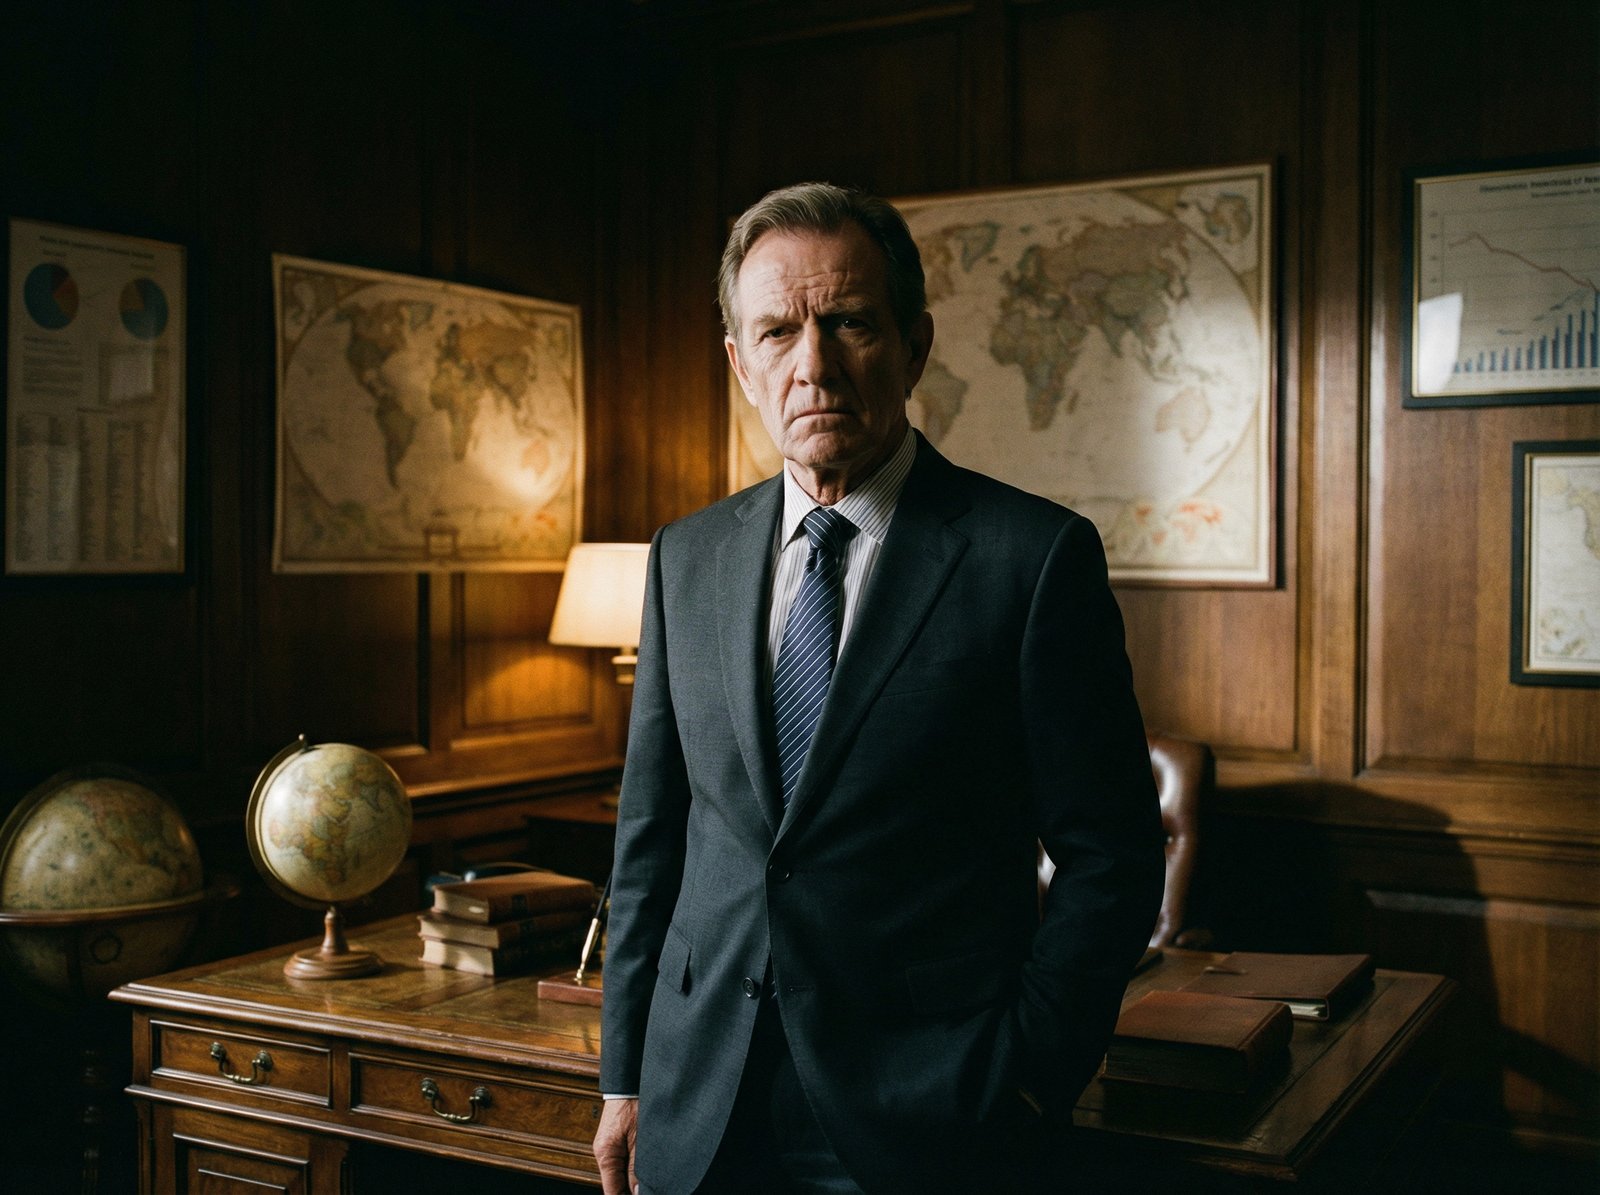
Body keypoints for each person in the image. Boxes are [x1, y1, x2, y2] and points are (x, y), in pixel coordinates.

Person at [593, 181, 1164, 1194]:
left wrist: (1030, 1073)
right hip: (701, 1103)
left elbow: (1110, 853)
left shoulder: (1030, 559)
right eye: (776, 332)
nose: (812, 365)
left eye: (849, 322)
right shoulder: (686, 556)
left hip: (929, 1116)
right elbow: (651, 840)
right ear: (740, 363)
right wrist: (627, 1072)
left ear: (914, 345)